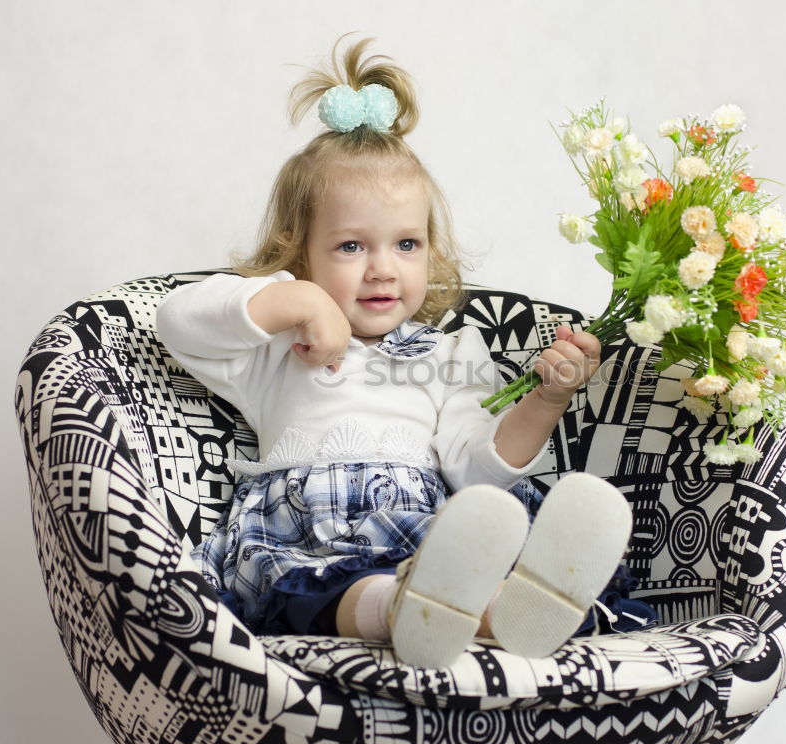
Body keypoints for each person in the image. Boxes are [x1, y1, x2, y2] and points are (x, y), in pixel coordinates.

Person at [156, 35, 657, 669]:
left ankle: (504, 612)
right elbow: (176, 320)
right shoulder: (277, 348)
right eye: (349, 247)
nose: (382, 270)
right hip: (310, 531)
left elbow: (477, 471)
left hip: (430, 526)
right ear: (299, 250)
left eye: (407, 245)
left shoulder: (451, 353)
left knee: (478, 541)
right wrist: (301, 304)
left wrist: (547, 399)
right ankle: (405, 610)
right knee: (321, 587)